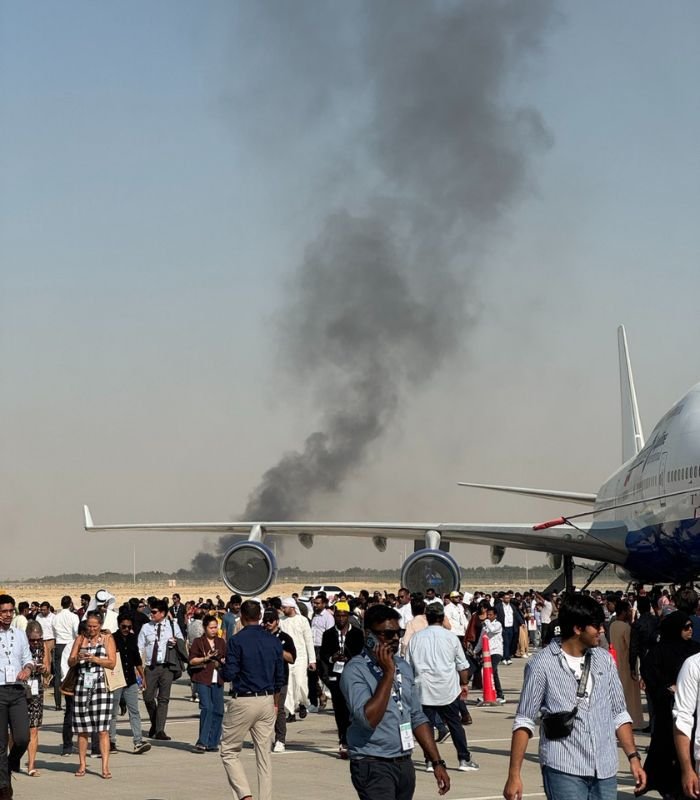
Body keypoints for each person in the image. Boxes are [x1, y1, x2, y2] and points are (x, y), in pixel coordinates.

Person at [503, 593, 646, 800]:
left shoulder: (604, 660)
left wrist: (633, 758)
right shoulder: (541, 664)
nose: (602, 630)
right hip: (564, 769)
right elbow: (524, 720)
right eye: (596, 626)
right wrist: (514, 775)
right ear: (578, 629)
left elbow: (619, 713)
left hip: (604, 770)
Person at [340, 604, 450, 800]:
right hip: (373, 763)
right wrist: (388, 673)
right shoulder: (355, 670)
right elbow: (368, 719)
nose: (395, 639)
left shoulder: (403, 667)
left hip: (403, 762)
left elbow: (417, 716)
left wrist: (437, 761)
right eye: (387, 634)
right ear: (369, 635)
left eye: (398, 633)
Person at [220, 599, 285, 800]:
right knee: (264, 755)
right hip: (266, 699)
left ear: (243, 617)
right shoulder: (273, 640)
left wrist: (220, 666)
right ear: (260, 617)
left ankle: (244, 794)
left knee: (229, 751)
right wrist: (275, 703)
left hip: (244, 699)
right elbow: (280, 677)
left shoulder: (237, 641)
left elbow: (230, 674)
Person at [405, 601, 477, 775]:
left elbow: (408, 666)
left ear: (427, 617)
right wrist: (464, 684)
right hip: (448, 689)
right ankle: (463, 758)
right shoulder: (451, 637)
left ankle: (430, 760)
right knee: (455, 725)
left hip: (424, 689)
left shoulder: (416, 638)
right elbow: (462, 665)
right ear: (442, 617)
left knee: (426, 726)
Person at [639, 611, 699, 799]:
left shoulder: (695, 651)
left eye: (691, 627)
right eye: (685, 627)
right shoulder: (658, 653)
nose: (689, 630)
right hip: (668, 716)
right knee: (668, 761)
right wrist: (668, 688)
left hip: (695, 720)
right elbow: (650, 677)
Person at [68, 609, 117, 779]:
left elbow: (112, 663)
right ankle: (82, 764)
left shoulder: (108, 639)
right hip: (82, 686)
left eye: (95, 626)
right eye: (89, 626)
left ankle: (105, 766)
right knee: (82, 729)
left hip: (101, 687)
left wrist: (95, 659)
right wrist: (79, 658)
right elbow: (70, 661)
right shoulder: (80, 639)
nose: (92, 629)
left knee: (103, 729)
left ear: (101, 625)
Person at [320, 601, 364, 758]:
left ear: (348, 617)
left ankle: (355, 740)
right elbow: (323, 654)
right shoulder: (328, 634)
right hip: (336, 676)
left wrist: (349, 658)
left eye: (343, 616)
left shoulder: (358, 634)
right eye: (337, 616)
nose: (340, 619)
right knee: (340, 711)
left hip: (354, 676)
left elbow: (361, 654)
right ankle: (343, 741)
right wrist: (333, 657)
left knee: (354, 709)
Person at [137, 598, 185, 740]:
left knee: (163, 699)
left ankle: (160, 730)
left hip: (167, 667)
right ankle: (155, 722)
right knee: (148, 697)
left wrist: (176, 642)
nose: (151, 614)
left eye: (154, 612)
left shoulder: (172, 625)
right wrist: (139, 669)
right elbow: (139, 648)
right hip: (150, 667)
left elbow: (182, 642)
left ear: (163, 613)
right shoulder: (146, 627)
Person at [0, 594, 32, 799]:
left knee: (22, 738)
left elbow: (28, 659)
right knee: (0, 745)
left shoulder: (20, 634)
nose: (8, 615)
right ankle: (4, 788)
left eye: (11, 611)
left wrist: (28, 669)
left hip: (18, 691)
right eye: (4, 611)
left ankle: (10, 766)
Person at [110, 613, 151, 755]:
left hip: (131, 680)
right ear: (119, 625)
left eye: (129, 627)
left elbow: (137, 660)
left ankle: (138, 741)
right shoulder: (112, 639)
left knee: (134, 711)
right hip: (116, 681)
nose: (126, 629)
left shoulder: (133, 638)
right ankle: (111, 741)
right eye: (124, 626)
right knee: (113, 713)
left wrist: (142, 676)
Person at [188, 613, 227, 753]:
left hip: (218, 679)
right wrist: (205, 658)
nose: (214, 630)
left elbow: (226, 658)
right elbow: (192, 660)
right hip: (203, 678)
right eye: (211, 628)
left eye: (216, 627)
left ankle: (213, 742)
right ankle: (202, 741)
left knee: (218, 710)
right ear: (205, 628)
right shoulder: (199, 642)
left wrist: (222, 661)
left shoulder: (221, 642)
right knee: (207, 708)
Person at [261, 608, 296, 754]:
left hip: (280, 679)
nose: (268, 623)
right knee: (264, 710)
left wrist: (278, 650)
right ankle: (265, 738)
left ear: (277, 621)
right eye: (265, 621)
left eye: (271, 621)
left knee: (279, 708)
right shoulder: (261, 636)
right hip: (263, 678)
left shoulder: (285, 638)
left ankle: (280, 739)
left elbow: (292, 658)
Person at [609, 599, 644, 728]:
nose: (631, 613)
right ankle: (633, 721)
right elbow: (631, 646)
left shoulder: (613, 625)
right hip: (627, 664)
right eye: (629, 611)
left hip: (617, 663)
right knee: (631, 697)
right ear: (624, 612)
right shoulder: (626, 627)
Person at [279, 597, 315, 721]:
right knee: (288, 686)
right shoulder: (281, 621)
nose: (282, 609)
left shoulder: (303, 620)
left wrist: (312, 660)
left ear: (292, 607)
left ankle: (302, 703)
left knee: (300, 683)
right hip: (287, 657)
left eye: (284, 607)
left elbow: (309, 641)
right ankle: (291, 712)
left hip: (301, 657)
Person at [25, 620, 50, 777]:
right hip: (20, 688)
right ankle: (14, 760)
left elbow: (48, 671)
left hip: (36, 690)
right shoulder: (21, 646)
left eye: (38, 639)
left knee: (33, 729)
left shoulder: (44, 647)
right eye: (32, 639)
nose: (35, 642)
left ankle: (31, 765)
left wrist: (44, 669)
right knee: (16, 730)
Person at [51, 595, 78, 712]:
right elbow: (77, 632)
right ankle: (71, 698)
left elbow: (54, 631)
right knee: (72, 672)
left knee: (58, 674)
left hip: (59, 645)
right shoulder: (73, 617)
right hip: (70, 644)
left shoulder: (55, 617)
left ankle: (58, 703)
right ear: (70, 604)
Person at [473, 606, 505, 703]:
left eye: (491, 615)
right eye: (488, 615)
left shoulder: (498, 624)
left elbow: (492, 630)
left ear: (495, 615)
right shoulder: (485, 627)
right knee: (489, 672)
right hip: (487, 653)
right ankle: (488, 693)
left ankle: (499, 695)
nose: (489, 616)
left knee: (491, 670)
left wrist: (486, 622)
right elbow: (481, 640)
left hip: (496, 651)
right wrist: (475, 651)